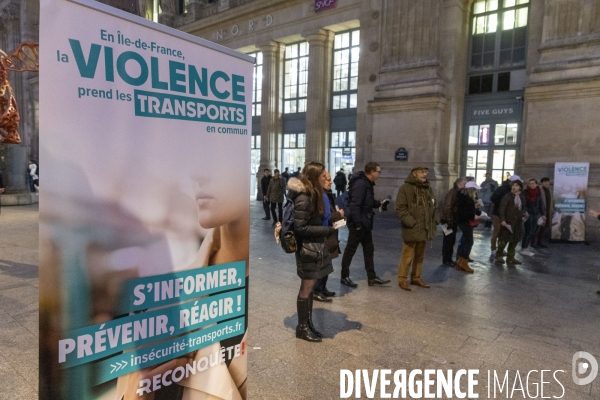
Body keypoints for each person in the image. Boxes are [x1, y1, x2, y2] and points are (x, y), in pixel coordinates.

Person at [286, 162, 337, 342]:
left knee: (310, 286)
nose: (326, 178)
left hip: (315, 246)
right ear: (315, 177)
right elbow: (301, 228)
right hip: (307, 248)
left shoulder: (315, 194)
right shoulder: (305, 197)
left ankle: (308, 323)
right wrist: (327, 231)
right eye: (323, 176)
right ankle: (302, 327)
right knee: (306, 288)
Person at [339, 162, 390, 288]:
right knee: (350, 250)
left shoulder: (367, 184)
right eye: (378, 171)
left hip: (365, 222)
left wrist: (379, 203)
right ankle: (344, 276)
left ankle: (371, 277)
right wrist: (358, 225)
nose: (379, 174)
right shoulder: (361, 184)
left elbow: (367, 202)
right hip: (359, 223)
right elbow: (355, 205)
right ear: (372, 172)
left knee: (369, 249)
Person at [395, 166, 439, 291]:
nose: (424, 174)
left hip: (425, 227)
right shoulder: (405, 188)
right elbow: (400, 209)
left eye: (426, 172)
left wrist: (435, 220)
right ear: (414, 174)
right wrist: (412, 223)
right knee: (407, 254)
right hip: (412, 228)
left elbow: (434, 205)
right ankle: (402, 279)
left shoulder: (428, 188)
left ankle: (416, 277)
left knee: (420, 255)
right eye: (421, 172)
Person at [313, 172, 344, 302]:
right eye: (328, 180)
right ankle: (316, 290)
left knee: (327, 263)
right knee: (322, 264)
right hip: (323, 234)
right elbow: (323, 217)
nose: (331, 182)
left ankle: (322, 287)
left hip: (329, 234)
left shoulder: (327, 194)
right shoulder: (320, 196)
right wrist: (338, 214)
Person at [490, 174, 521, 260]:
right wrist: (503, 204)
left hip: (507, 215)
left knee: (502, 233)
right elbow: (493, 198)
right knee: (496, 231)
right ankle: (493, 249)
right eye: (515, 184)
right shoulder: (502, 189)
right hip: (497, 214)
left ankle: (500, 249)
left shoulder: (514, 191)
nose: (516, 186)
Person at [496, 180, 527, 265]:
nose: (514, 187)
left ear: (520, 187)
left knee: (514, 241)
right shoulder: (507, 196)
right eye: (513, 185)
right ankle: (499, 255)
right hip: (508, 222)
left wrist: (524, 213)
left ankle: (510, 257)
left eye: (516, 185)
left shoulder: (522, 197)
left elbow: (523, 207)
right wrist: (502, 220)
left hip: (518, 222)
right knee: (503, 240)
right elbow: (502, 209)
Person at [454, 181, 482, 273]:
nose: (476, 192)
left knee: (466, 240)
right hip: (464, 222)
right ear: (471, 189)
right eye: (475, 190)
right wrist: (473, 216)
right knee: (469, 241)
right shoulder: (465, 198)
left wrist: (476, 210)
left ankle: (460, 261)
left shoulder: (466, 197)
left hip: (464, 221)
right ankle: (463, 262)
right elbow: (463, 212)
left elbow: (469, 209)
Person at [439, 177, 467, 267]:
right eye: (464, 183)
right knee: (448, 241)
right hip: (447, 221)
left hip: (450, 220)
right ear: (459, 183)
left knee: (451, 240)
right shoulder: (453, 192)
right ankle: (446, 259)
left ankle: (448, 258)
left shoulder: (456, 192)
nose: (465, 185)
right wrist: (450, 221)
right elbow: (448, 207)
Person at [520, 178, 545, 256]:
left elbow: (540, 203)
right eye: (530, 183)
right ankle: (523, 248)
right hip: (528, 213)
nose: (531, 185)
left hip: (535, 213)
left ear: (536, 184)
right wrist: (525, 211)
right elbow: (522, 203)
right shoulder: (525, 192)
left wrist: (543, 214)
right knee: (528, 231)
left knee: (533, 231)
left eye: (533, 183)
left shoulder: (538, 192)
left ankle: (526, 247)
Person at [532, 177, 554, 248]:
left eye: (548, 182)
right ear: (541, 183)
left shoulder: (549, 191)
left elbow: (552, 201)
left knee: (543, 228)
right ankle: (533, 243)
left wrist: (552, 209)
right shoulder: (539, 190)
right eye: (545, 182)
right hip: (540, 213)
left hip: (547, 212)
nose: (547, 183)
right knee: (537, 228)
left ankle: (539, 242)